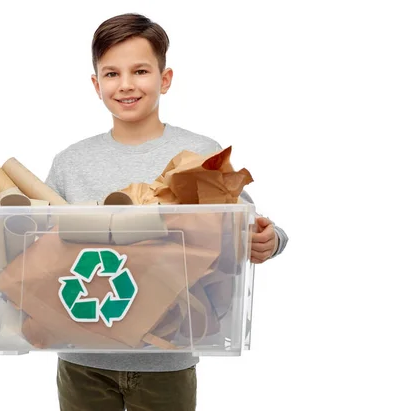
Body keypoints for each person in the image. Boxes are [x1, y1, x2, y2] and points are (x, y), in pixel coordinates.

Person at [44, 12, 288, 411]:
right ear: (95, 84)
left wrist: (270, 239)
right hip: (83, 354)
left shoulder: (199, 154)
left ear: (165, 78)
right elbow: (39, 244)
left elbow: (244, 225)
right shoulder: (71, 162)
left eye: (140, 71)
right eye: (111, 74)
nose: (125, 85)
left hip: (168, 357)